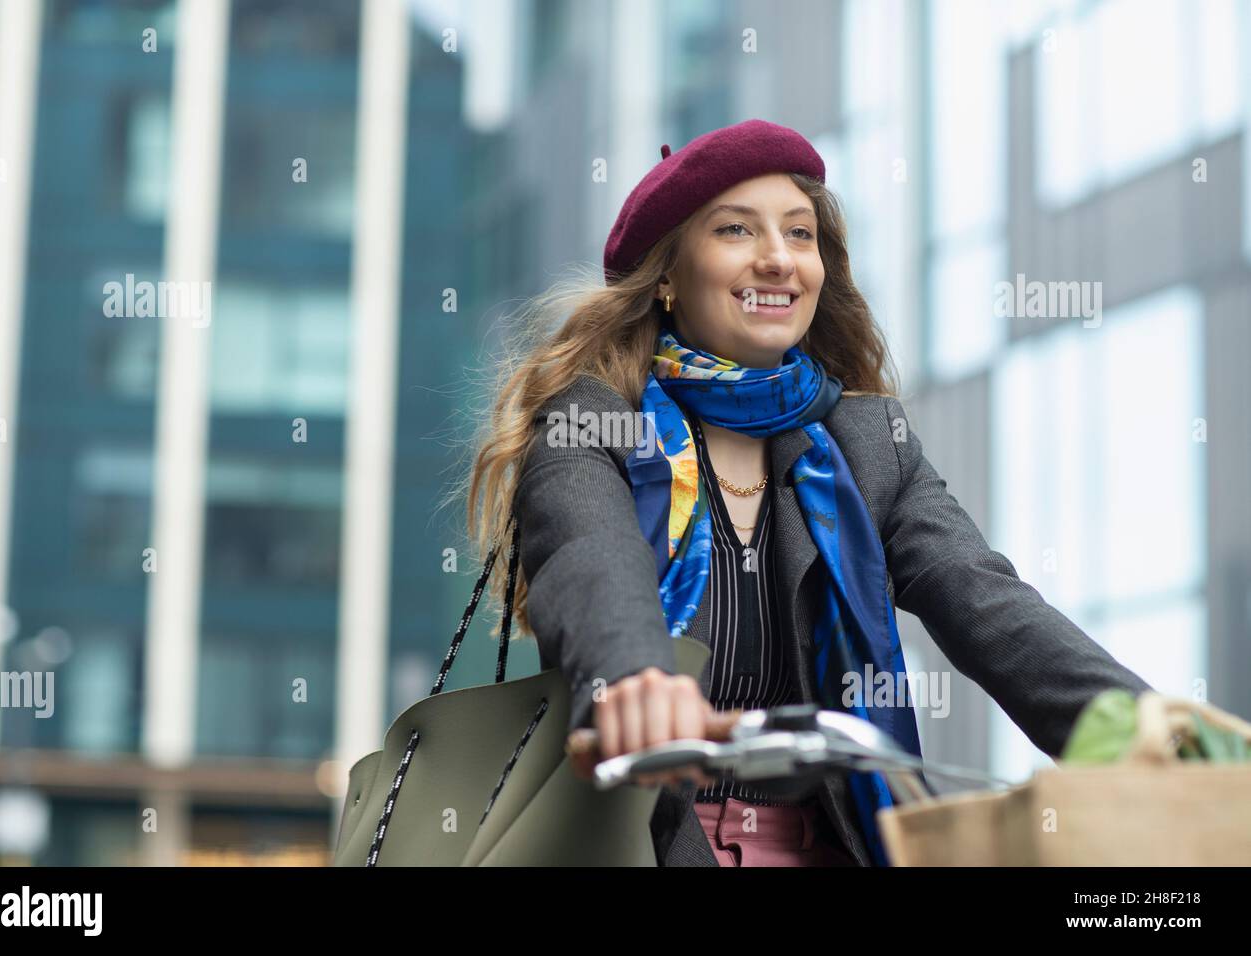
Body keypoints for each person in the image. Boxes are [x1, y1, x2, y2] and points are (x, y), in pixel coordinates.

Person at [460, 118, 1153, 866]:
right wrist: (639, 680)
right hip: (646, 844)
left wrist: (1152, 733)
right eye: (735, 231)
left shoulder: (866, 449)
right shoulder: (590, 426)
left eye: (799, 234)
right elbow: (590, 561)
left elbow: (988, 603)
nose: (778, 260)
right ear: (665, 276)